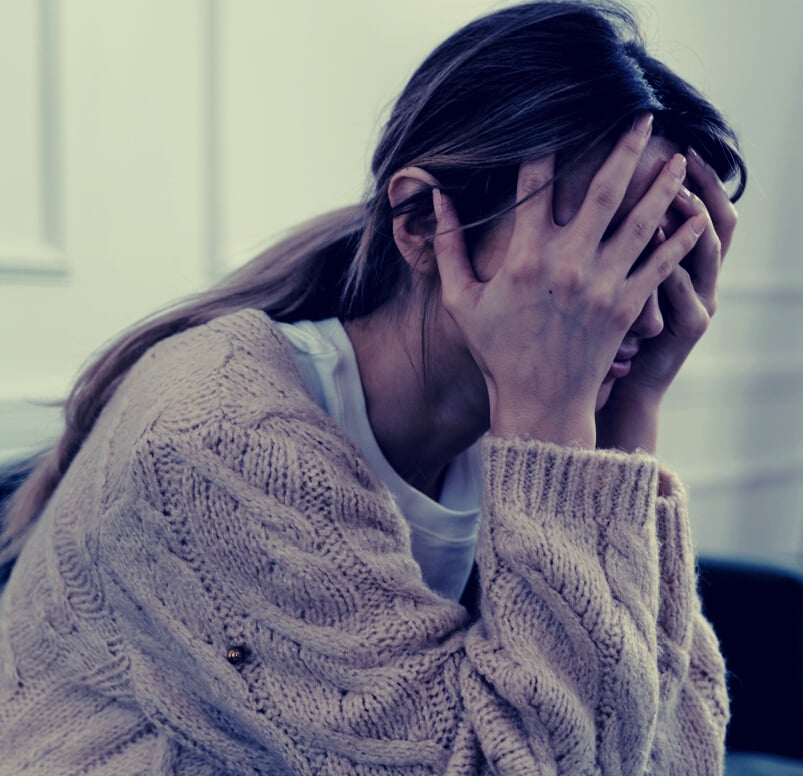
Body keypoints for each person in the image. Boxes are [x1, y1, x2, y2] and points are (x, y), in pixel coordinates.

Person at [0, 1, 745, 772]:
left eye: (668, 251)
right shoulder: (215, 442)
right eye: (598, 241)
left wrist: (629, 417)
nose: (635, 305)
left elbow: (666, 756)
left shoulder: (525, 426)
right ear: (422, 223)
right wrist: (566, 427)